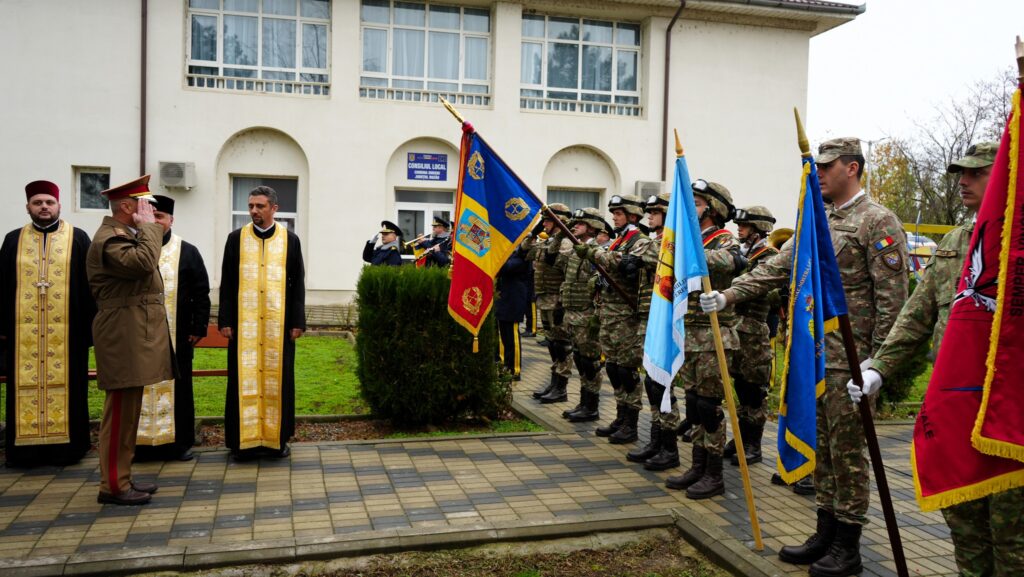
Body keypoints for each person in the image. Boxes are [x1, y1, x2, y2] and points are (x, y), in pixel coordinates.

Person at [701, 138, 909, 575]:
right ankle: (825, 531)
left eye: (827, 166)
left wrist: (877, 364)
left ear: (851, 168)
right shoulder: (816, 221)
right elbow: (777, 267)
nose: (818, 174)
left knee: (849, 453)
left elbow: (894, 300)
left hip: (852, 365)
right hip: (814, 359)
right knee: (826, 452)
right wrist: (729, 295)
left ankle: (848, 545)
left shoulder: (877, 221)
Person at [858, 142, 1023, 577]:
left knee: (1013, 537)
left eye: (975, 173)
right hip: (957, 407)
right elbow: (917, 314)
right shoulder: (956, 241)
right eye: (960, 174)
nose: (963, 182)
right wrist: (880, 367)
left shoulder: (1019, 246)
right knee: (964, 522)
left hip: (1012, 413)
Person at [87, 174, 174, 505]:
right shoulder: (110, 239)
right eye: (145, 205)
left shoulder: (122, 235)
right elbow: (143, 263)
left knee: (128, 412)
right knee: (120, 413)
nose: (150, 211)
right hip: (121, 334)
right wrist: (152, 228)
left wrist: (146, 230)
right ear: (127, 206)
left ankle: (122, 477)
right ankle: (112, 486)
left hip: (130, 332)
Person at [1, 180, 96, 467]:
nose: (44, 207)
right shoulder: (13, 240)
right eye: (38, 202)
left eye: (49, 202)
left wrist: (89, 331)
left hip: (68, 336)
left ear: (59, 206)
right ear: (28, 207)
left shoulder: (78, 238)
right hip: (23, 338)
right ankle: (25, 453)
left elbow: (90, 286)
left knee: (71, 389)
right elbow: (2, 286)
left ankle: (69, 450)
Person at [663, 181, 745, 498]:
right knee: (694, 404)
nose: (691, 208)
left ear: (713, 208)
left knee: (709, 406)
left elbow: (730, 262)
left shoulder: (724, 239)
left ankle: (714, 474)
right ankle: (697, 466)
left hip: (714, 336)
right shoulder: (690, 240)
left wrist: (689, 253)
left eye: (696, 203)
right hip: (690, 333)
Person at [219, 186, 306, 461]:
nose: (254, 211)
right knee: (241, 381)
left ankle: (275, 441)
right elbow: (227, 283)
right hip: (244, 328)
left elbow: (298, 284)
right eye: (251, 206)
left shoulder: (290, 240)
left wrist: (297, 321)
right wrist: (225, 320)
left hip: (277, 326)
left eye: (260, 206)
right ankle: (241, 442)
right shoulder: (236, 239)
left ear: (274, 209)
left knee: (277, 382)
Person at [133, 195, 210, 462]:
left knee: (180, 388)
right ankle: (139, 445)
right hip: (138, 337)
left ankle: (179, 444)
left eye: (160, 217)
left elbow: (201, 292)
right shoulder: (132, 248)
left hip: (178, 335)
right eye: (150, 217)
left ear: (171, 220)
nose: (155, 222)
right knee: (138, 388)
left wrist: (199, 326)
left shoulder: (187, 251)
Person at [575, 194, 655, 444]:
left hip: (626, 315)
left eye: (618, 213)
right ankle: (620, 416)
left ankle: (631, 423)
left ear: (632, 216)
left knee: (627, 369)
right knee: (612, 367)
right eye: (613, 213)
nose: (613, 217)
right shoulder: (619, 241)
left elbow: (624, 266)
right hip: (609, 313)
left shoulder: (640, 241)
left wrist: (594, 253)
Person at [627, 193, 682, 471]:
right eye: (647, 212)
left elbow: (653, 253)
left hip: (668, 322)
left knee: (663, 384)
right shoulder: (655, 240)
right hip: (651, 317)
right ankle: (656, 440)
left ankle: (670, 448)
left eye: (654, 211)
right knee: (651, 382)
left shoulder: (672, 241)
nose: (649, 216)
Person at [724, 205, 779, 467]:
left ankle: (753, 445)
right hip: (737, 328)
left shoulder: (769, 257)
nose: (739, 229)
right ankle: (740, 438)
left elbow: (766, 290)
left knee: (753, 390)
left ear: (759, 230)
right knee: (740, 386)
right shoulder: (744, 253)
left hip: (755, 330)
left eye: (745, 226)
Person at [522, 204, 574, 404]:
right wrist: (533, 234)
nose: (544, 224)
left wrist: (562, 303)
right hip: (544, 298)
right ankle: (554, 383)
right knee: (552, 344)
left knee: (561, 345)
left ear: (560, 222)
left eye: (548, 220)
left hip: (557, 300)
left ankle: (561, 388)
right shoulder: (548, 241)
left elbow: (563, 269)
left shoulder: (567, 243)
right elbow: (525, 252)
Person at [558, 208, 606, 423]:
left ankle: (592, 406)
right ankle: (583, 402)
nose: (574, 226)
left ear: (592, 227)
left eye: (580, 224)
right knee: (579, 358)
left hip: (587, 315)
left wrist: (597, 316)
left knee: (590, 361)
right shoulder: (576, 250)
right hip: (573, 313)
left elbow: (600, 285)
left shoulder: (597, 251)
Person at [495, 246, 530, 380]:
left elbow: (505, 267)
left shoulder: (522, 257)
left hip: (514, 302)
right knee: (504, 336)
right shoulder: (512, 255)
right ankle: (505, 365)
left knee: (512, 338)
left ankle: (514, 369)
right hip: (504, 301)